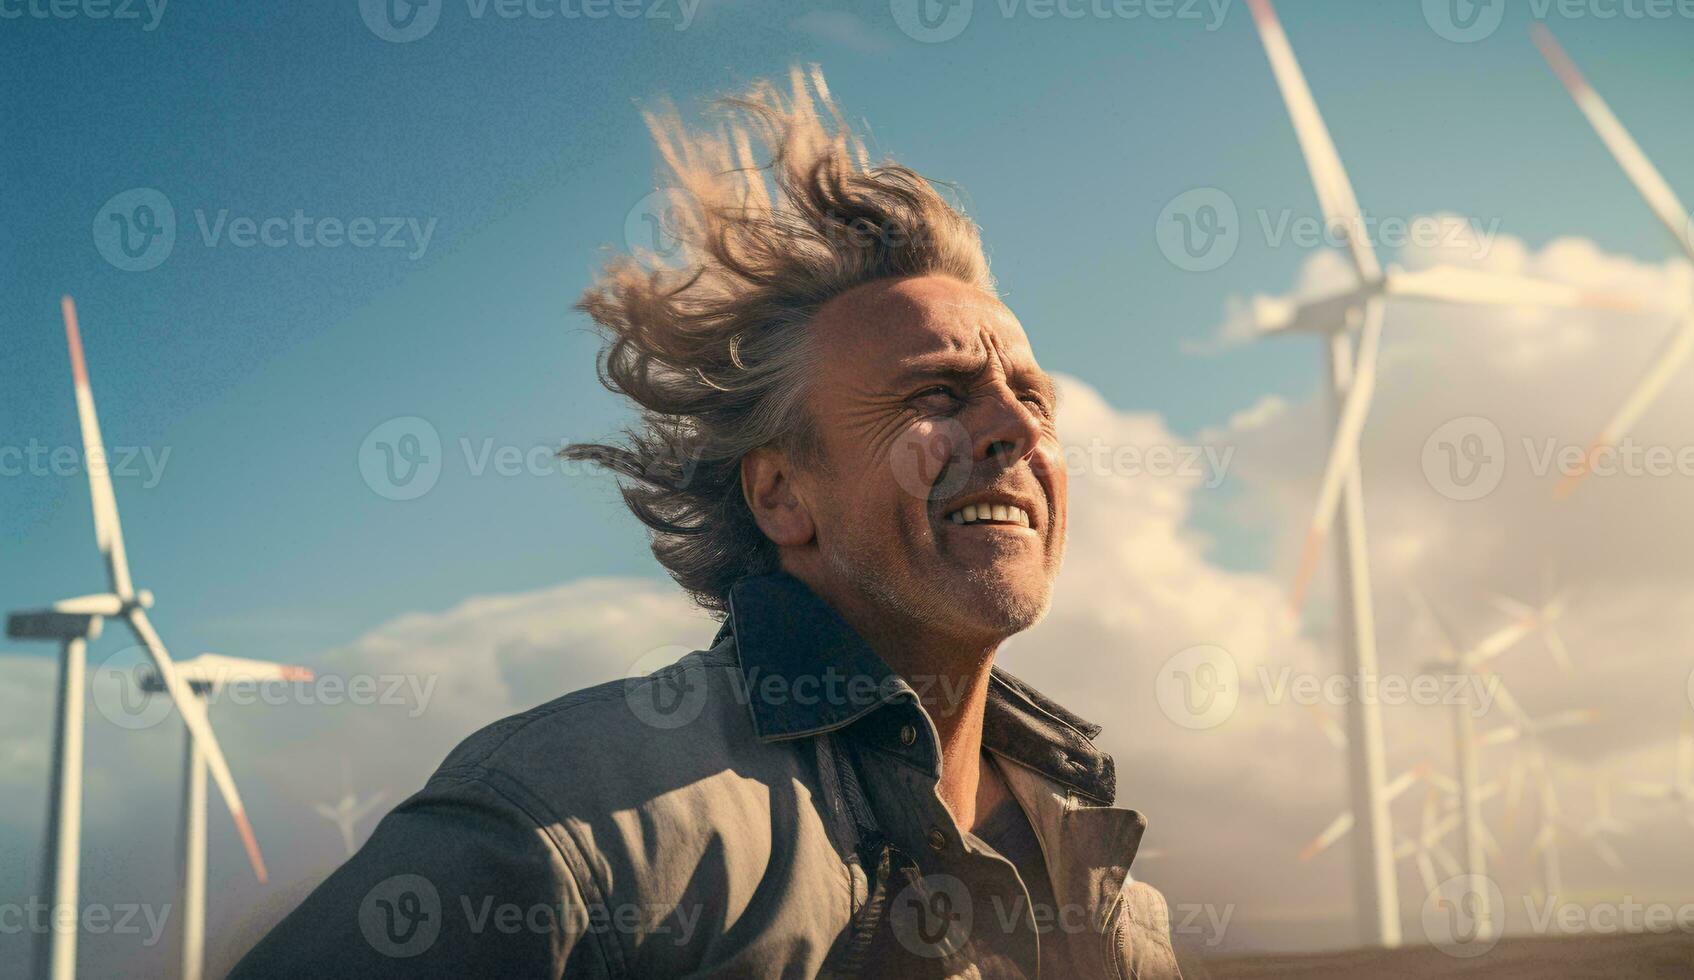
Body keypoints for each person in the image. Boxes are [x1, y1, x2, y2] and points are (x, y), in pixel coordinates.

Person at [232, 66, 1181, 979]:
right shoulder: (575, 830)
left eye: (1031, 396)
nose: (1015, 427)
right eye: (936, 393)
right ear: (780, 495)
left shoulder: (1116, 894)